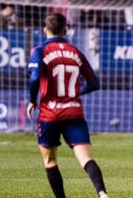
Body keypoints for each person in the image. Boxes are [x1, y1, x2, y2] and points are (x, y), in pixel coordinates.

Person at [27, 13, 108, 198]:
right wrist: (76, 92)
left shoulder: (39, 51)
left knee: (50, 160)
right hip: (74, 112)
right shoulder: (75, 51)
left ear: (45, 30)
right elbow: (94, 83)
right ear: (65, 30)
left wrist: (33, 100)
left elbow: (34, 77)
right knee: (86, 159)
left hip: (50, 114)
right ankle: (102, 193)